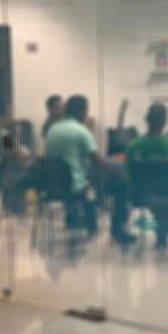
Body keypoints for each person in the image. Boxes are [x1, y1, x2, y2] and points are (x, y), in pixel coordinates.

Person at [46, 95, 134, 244]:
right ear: (82, 112)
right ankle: (117, 231)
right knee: (120, 185)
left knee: (94, 179)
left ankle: (89, 223)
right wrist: (121, 174)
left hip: (52, 184)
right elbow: (98, 161)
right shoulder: (81, 131)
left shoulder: (53, 129)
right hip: (75, 185)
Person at [127, 104, 168, 249]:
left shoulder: (134, 146)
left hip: (142, 195)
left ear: (147, 120)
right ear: (165, 122)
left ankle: (162, 231)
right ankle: (167, 228)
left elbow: (129, 174)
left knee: (156, 197)